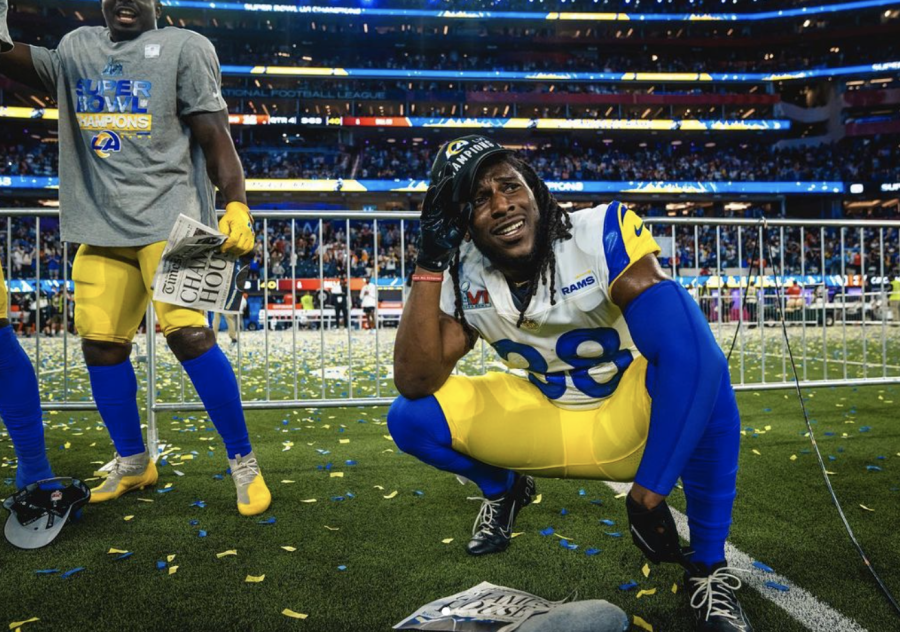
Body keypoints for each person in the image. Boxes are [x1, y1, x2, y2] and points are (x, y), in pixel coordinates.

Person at [388, 136, 752, 631]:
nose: (501, 205)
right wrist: (429, 263)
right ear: (462, 223)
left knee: (703, 377)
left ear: (534, 190)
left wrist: (648, 495)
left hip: (631, 417)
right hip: (547, 414)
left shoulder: (598, 231)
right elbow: (414, 380)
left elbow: (692, 354)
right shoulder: (463, 268)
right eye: (478, 199)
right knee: (411, 418)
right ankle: (505, 489)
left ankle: (708, 567)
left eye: (509, 186)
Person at [0, 0, 271, 516]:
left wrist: (236, 202)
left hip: (175, 225)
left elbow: (216, 134)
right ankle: (133, 461)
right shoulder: (76, 48)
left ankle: (244, 464)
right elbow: (5, 53)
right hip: (100, 229)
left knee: (191, 336)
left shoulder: (187, 47)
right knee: (100, 346)